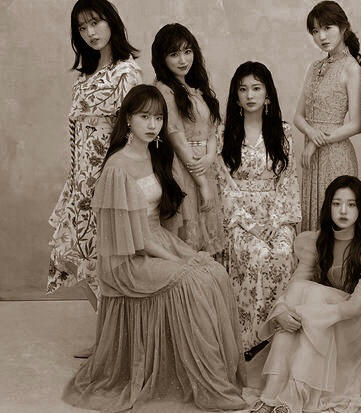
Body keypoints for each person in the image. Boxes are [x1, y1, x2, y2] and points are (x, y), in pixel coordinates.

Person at [63, 85, 247, 412]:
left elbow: (158, 222)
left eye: (158, 118)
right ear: (128, 119)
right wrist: (178, 259)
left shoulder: (154, 153)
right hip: (129, 256)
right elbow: (135, 241)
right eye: (144, 117)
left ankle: (213, 373)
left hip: (155, 239)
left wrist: (182, 252)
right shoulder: (117, 167)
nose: (152, 125)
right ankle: (205, 382)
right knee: (190, 280)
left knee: (214, 272)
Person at [250, 176, 361, 413]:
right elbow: (296, 284)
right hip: (323, 322)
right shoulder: (316, 241)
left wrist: (311, 316)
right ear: (328, 207)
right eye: (337, 204)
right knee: (300, 290)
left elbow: (357, 305)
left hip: (352, 324)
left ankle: (292, 397)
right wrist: (282, 311)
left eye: (351, 204)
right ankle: (272, 393)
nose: (343, 210)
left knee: (312, 294)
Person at [47, 0, 142, 338]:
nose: (90, 32)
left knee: (108, 261)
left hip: (108, 179)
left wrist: (116, 179)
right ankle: (109, 337)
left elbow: (132, 132)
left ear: (111, 22)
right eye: (82, 27)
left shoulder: (126, 73)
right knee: (75, 256)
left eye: (96, 22)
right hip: (80, 181)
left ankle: (119, 340)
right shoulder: (86, 76)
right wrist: (76, 182)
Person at [219, 61, 301, 357]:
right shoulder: (224, 133)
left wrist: (275, 223)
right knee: (255, 254)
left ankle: (279, 333)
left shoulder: (283, 132)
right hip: (239, 218)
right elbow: (222, 184)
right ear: (236, 96)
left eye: (256, 88)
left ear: (267, 95)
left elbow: (288, 180)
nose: (250, 95)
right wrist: (250, 224)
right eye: (243, 89)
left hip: (276, 215)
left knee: (282, 253)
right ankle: (250, 338)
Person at [152, 23, 225, 254]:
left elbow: (212, 128)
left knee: (208, 229)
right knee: (189, 236)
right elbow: (176, 138)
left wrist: (210, 156)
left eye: (187, 51)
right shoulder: (165, 90)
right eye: (174, 54)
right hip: (184, 169)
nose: (183, 60)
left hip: (205, 166)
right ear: (162, 58)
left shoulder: (196, 88)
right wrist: (201, 182)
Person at [297, 0, 361, 231]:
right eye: (315, 31)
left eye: (327, 28)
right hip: (312, 156)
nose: (321, 36)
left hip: (336, 156)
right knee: (313, 221)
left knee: (334, 220)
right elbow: (298, 117)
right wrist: (311, 134)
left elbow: (356, 124)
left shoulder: (351, 68)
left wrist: (317, 141)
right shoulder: (314, 67)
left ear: (343, 27)